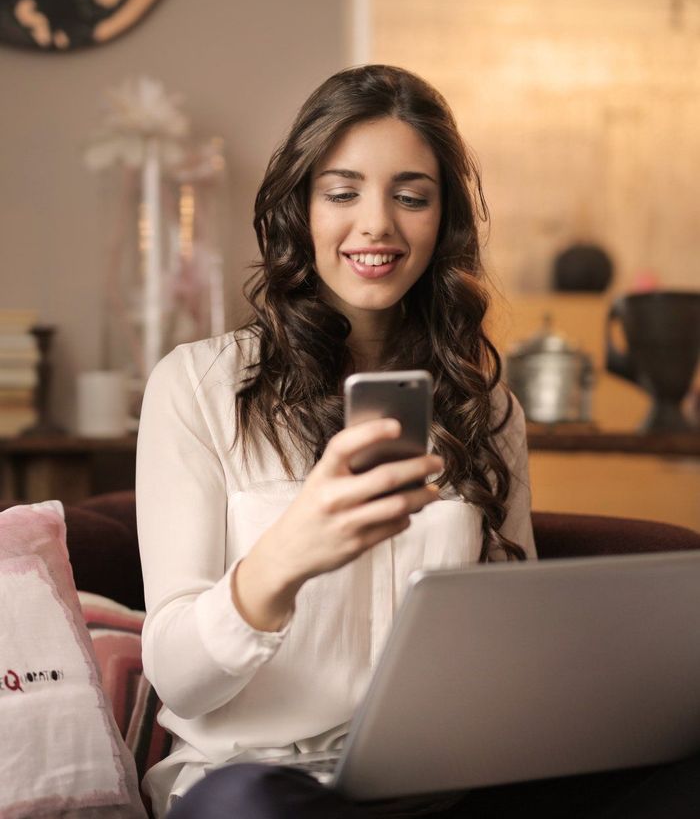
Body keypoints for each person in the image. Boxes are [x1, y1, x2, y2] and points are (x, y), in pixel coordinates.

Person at [137, 63, 571, 818]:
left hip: (435, 774)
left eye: (411, 196)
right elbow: (179, 679)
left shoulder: (484, 409)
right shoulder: (196, 388)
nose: (377, 224)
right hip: (255, 778)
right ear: (300, 208)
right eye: (342, 193)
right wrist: (285, 555)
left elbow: (512, 640)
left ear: (444, 221)